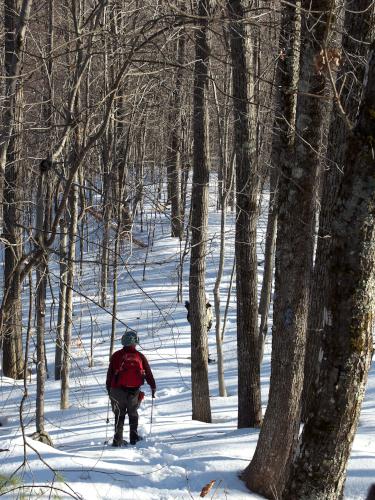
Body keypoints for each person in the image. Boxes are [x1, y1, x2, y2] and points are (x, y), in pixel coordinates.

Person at [106, 330, 156, 446]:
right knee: (133, 414)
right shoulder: (140, 356)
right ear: (135, 343)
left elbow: (110, 374)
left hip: (117, 390)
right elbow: (148, 373)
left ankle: (117, 440)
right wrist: (153, 386)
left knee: (119, 415)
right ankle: (134, 438)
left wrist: (109, 389)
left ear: (123, 342)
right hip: (134, 391)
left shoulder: (116, 355)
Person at [184, 298, 215, 364]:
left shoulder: (208, 306)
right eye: (205, 299)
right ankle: (199, 358)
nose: (206, 300)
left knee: (205, 342)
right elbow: (189, 318)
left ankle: (206, 357)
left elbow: (211, 316)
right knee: (198, 342)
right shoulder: (196, 306)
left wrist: (210, 324)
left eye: (207, 299)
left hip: (205, 327)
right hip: (197, 328)